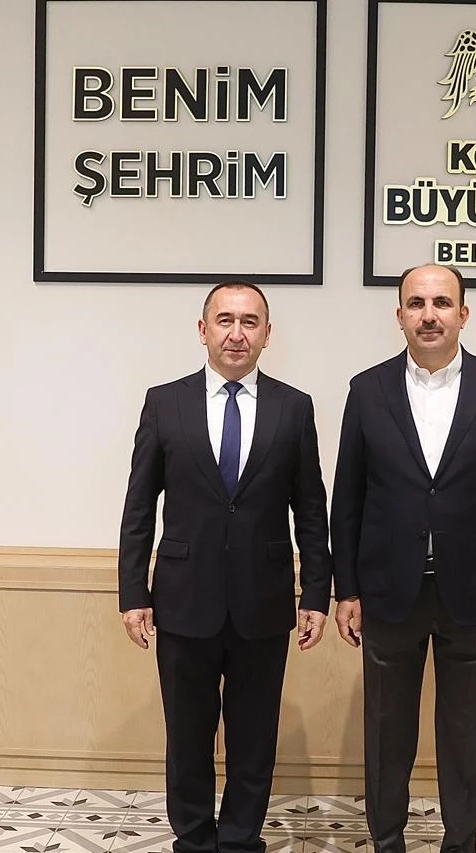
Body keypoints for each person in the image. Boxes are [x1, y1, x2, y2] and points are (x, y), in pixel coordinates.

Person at [118, 281, 332, 853]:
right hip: (183, 600)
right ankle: (192, 839)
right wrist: (133, 592)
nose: (237, 333)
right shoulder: (164, 403)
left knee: (254, 738)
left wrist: (316, 593)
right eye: (225, 320)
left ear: (267, 334)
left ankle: (239, 840)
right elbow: (139, 507)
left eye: (250, 322)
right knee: (187, 737)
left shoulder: (294, 407)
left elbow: (312, 509)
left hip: (264, 602)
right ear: (203, 329)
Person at [330, 264, 476, 853]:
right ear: (399, 315)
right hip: (387, 590)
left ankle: (460, 841)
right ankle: (386, 841)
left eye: (442, 303)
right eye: (416, 304)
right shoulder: (367, 390)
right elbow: (348, 499)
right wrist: (347, 588)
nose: (429, 315)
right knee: (385, 731)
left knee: (467, 733)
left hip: (473, 591)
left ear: (463, 314)